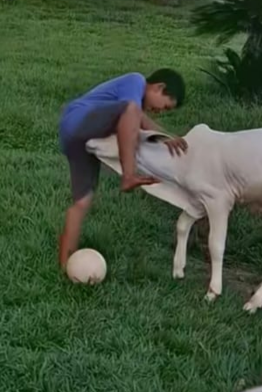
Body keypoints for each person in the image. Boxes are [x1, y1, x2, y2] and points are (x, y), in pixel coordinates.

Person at [58, 68, 189, 268]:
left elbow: (141, 120)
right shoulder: (136, 81)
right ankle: (128, 176)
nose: (161, 111)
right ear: (159, 87)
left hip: (79, 139)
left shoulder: (134, 107)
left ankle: (66, 264)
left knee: (82, 203)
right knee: (131, 110)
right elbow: (133, 113)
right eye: (165, 106)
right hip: (78, 118)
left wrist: (167, 137)